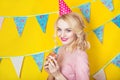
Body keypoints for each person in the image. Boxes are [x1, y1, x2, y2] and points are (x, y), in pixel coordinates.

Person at [44, 12, 90, 80]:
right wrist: (51, 73)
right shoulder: (60, 49)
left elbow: (57, 76)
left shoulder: (80, 57)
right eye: (59, 29)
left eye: (68, 30)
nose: (62, 35)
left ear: (76, 32)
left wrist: (58, 75)